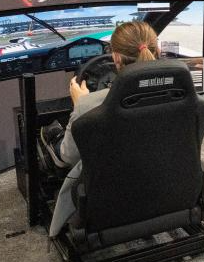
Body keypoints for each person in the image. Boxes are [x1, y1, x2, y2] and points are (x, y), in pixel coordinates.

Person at [44, 20, 161, 237]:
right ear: (158, 50)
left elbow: (68, 157)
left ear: (116, 58)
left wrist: (80, 105)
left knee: (48, 137)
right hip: (164, 184)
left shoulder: (89, 104)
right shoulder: (182, 93)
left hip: (109, 197)